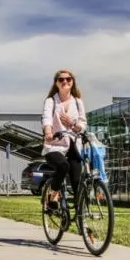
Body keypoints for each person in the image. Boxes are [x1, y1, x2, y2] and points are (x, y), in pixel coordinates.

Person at [41, 69, 87, 210]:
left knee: (77, 181)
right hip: (54, 145)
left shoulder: (78, 102)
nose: (65, 81)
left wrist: (72, 124)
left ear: (73, 82)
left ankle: (82, 221)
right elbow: (47, 118)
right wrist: (48, 132)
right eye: (61, 79)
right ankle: (54, 194)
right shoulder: (51, 101)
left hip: (73, 146)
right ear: (56, 83)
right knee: (63, 166)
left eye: (68, 79)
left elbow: (83, 124)